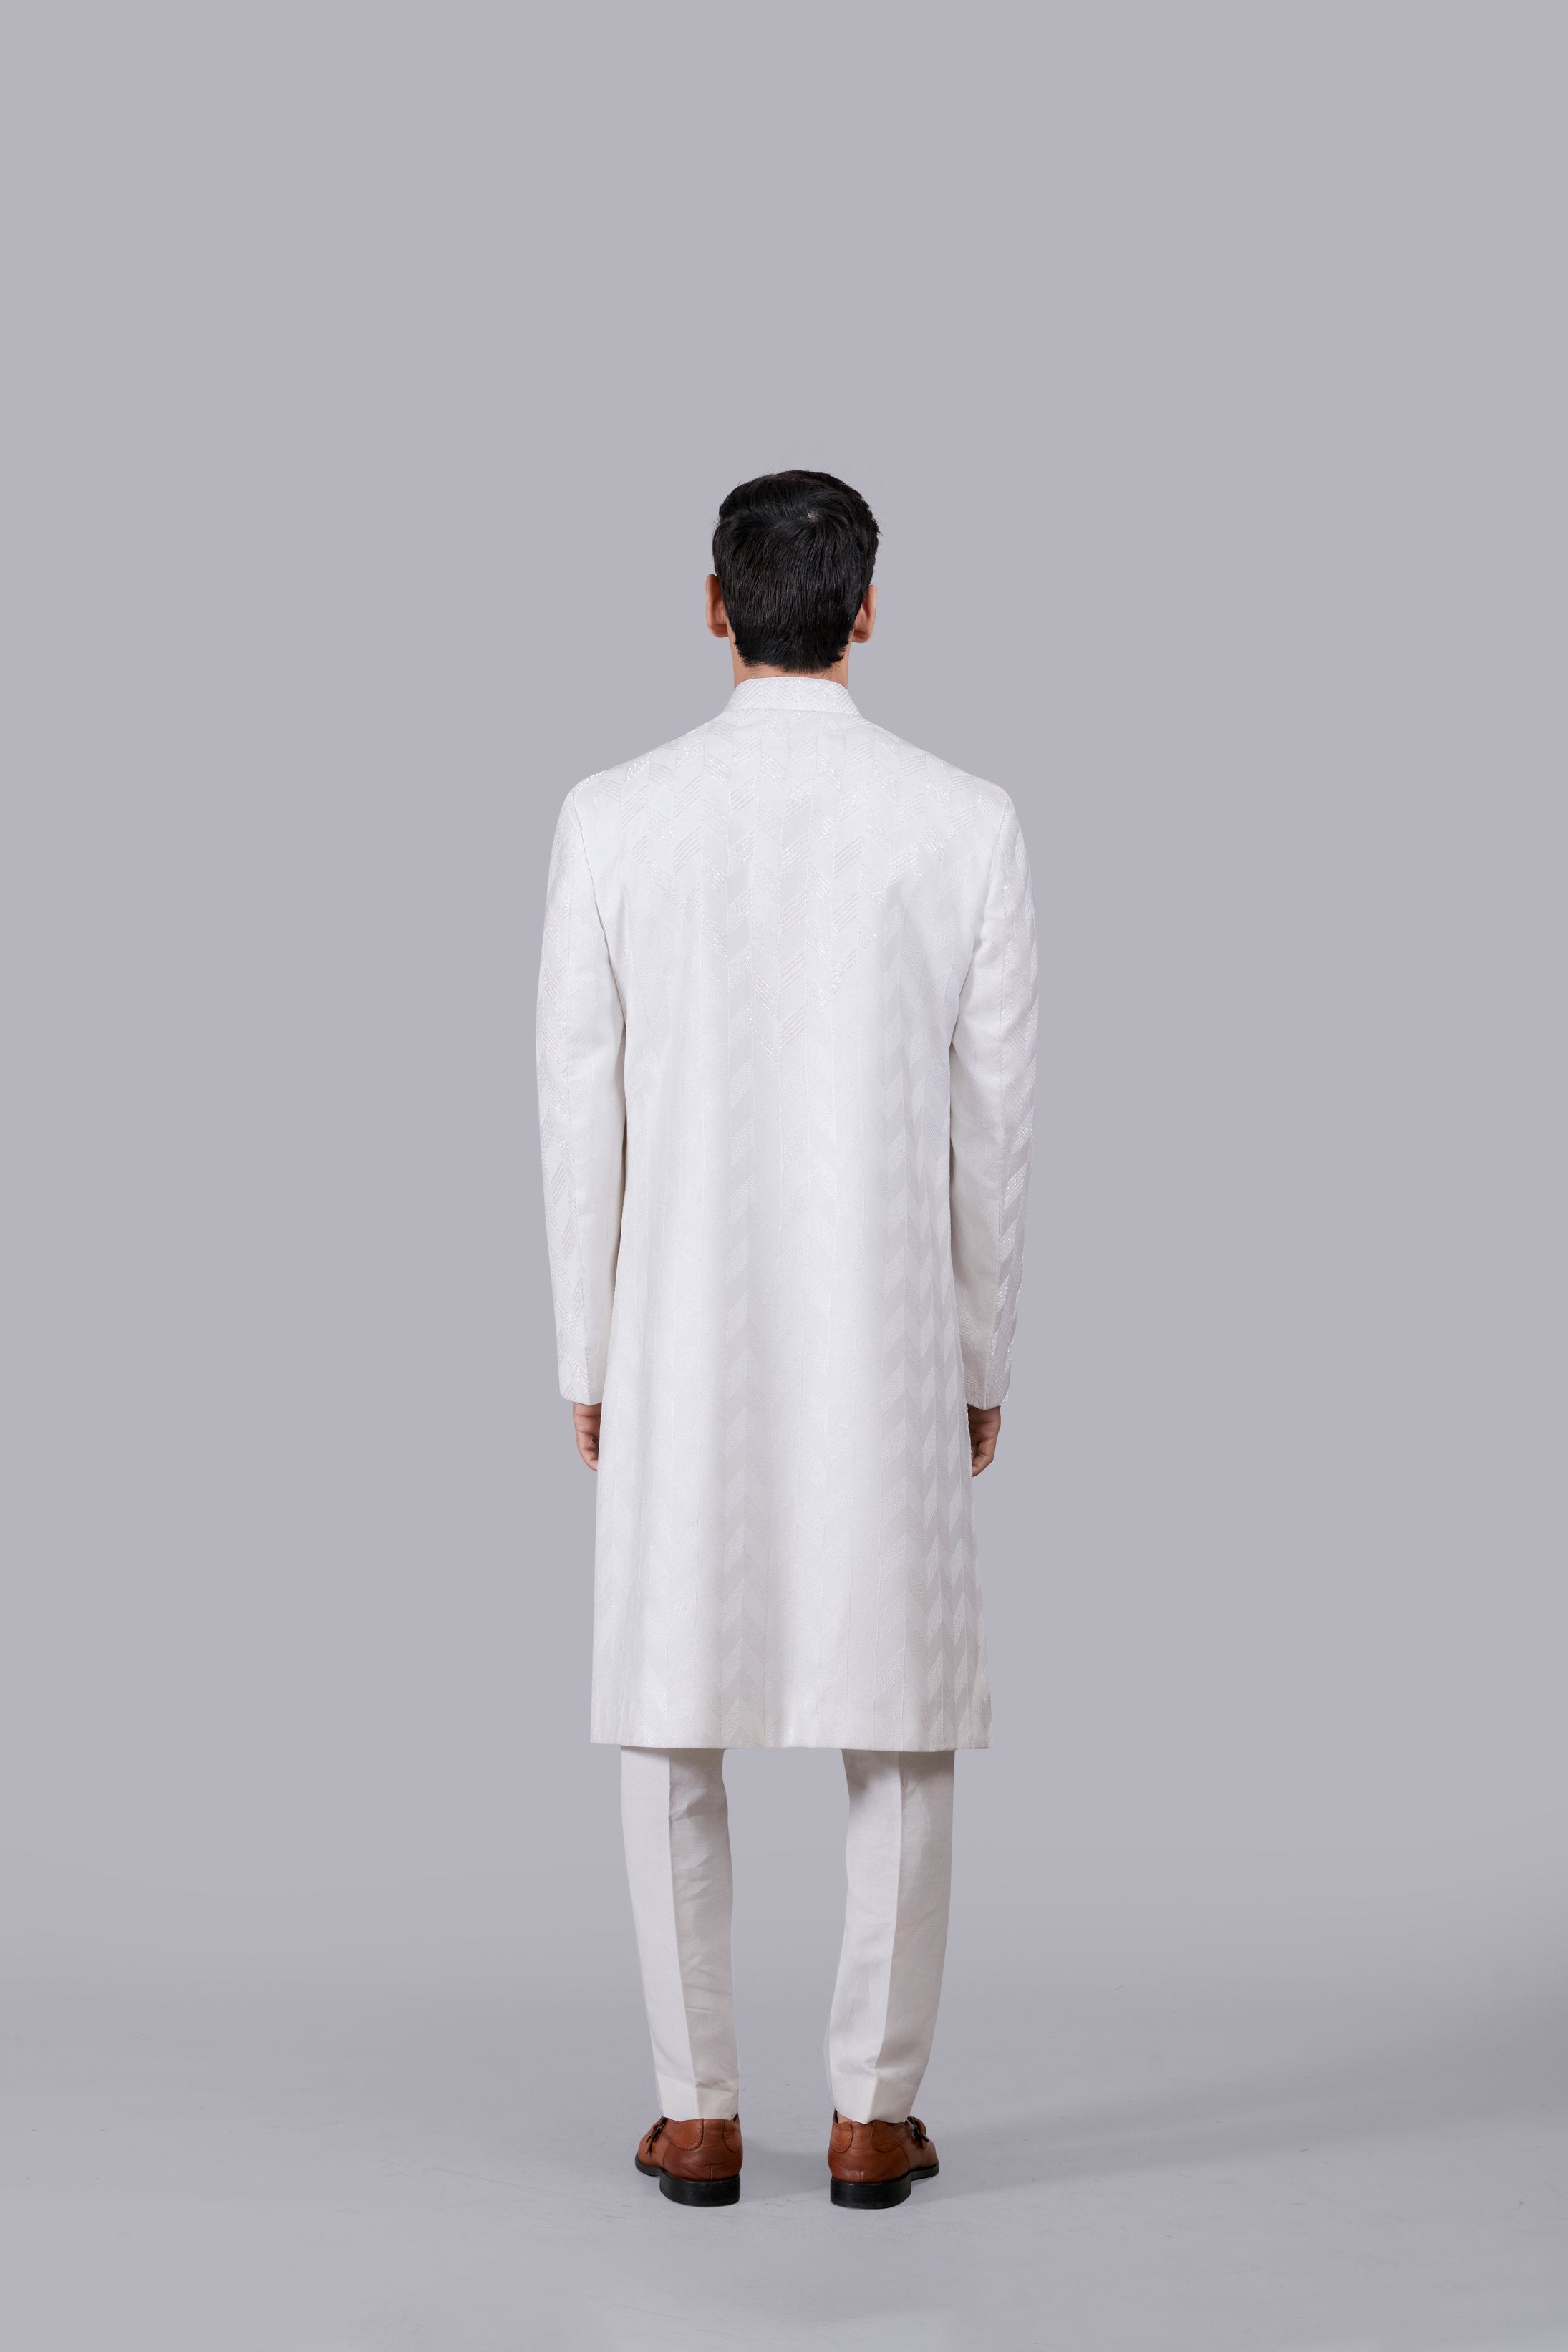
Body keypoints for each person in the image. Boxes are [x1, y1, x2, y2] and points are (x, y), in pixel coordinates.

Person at [536, 470, 1037, 2210]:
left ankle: (697, 2112)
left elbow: (577, 1111)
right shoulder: (965, 822)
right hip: (886, 1323)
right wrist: (981, 1351)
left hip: (678, 1322)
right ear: (868, 611)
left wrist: (587, 1350)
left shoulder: (614, 815)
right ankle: (872, 2113)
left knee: (670, 1707)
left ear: (714, 604)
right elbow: (995, 1128)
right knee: (898, 1710)